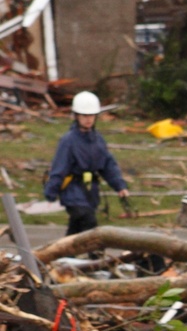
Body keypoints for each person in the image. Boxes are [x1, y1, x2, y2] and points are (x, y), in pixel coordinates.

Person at [44, 91, 129, 234]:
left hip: (90, 191)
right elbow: (59, 168)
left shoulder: (98, 140)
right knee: (87, 221)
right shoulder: (68, 141)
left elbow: (108, 165)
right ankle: (96, 255)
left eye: (91, 115)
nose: (88, 119)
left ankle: (64, 253)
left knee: (76, 228)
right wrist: (51, 192)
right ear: (76, 116)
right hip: (72, 190)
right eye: (84, 116)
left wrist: (120, 186)